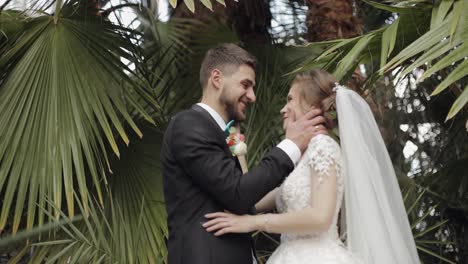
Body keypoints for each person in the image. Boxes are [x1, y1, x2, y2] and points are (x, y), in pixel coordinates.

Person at [203, 69, 421, 264]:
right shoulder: (301, 159)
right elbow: (253, 200)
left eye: (290, 100)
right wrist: (236, 151)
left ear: (312, 107)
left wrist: (253, 223)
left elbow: (320, 218)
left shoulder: (323, 146)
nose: (283, 109)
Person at [161, 44, 326, 264]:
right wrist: (291, 145)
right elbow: (236, 194)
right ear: (216, 79)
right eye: (245, 85)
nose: (252, 96)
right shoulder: (189, 125)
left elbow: (239, 199)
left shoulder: (220, 131)